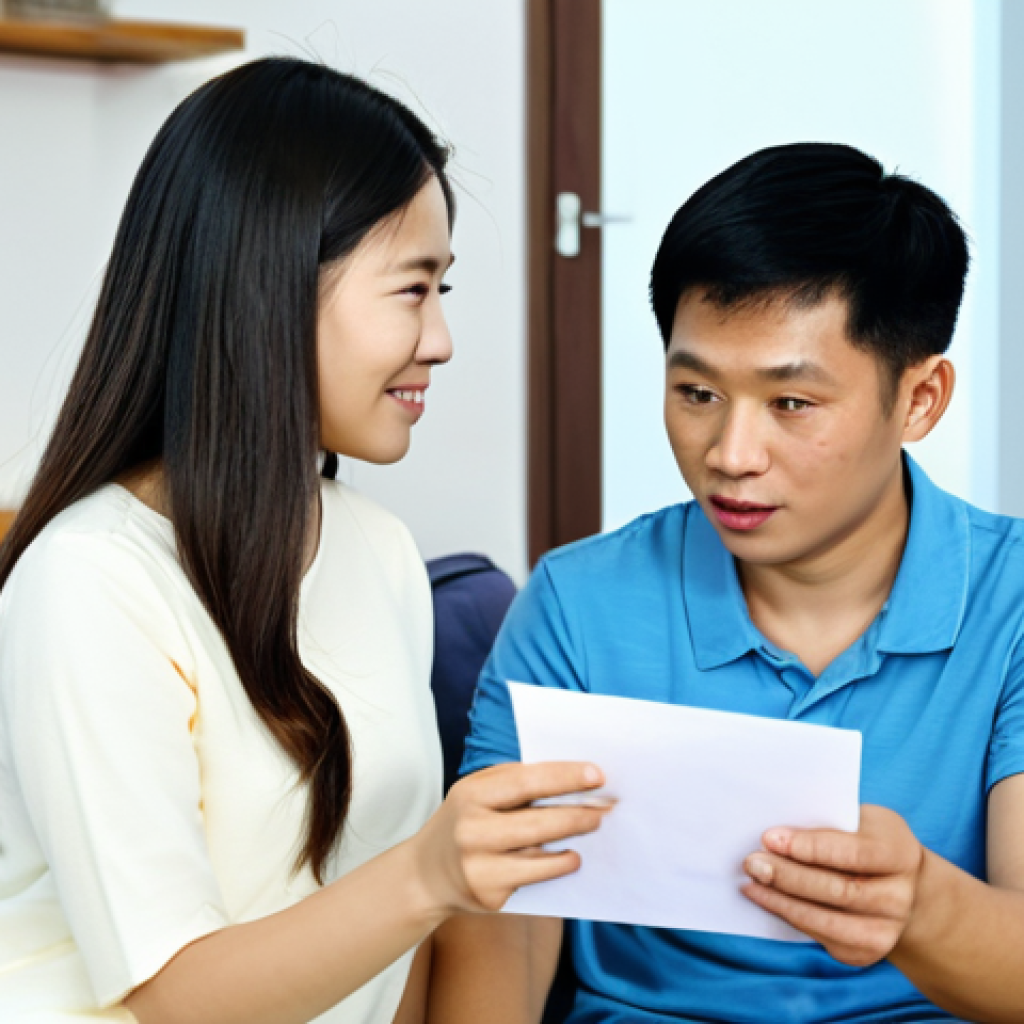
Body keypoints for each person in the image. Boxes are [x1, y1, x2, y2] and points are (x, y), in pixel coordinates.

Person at [0, 57, 609, 1024]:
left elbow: (380, 962)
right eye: (413, 290)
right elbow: (175, 996)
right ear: (269, 287)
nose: (443, 338)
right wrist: (432, 873)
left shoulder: (376, 549)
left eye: (443, 289)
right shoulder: (91, 581)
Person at [453, 143, 1024, 1023]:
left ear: (919, 399)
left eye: (791, 403)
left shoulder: (1013, 601)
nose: (730, 456)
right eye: (697, 392)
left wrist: (919, 905)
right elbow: (494, 961)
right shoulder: (576, 607)